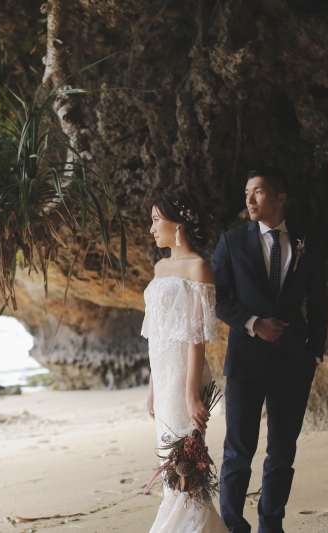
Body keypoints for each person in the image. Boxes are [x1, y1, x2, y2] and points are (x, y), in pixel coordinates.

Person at [211, 169, 328, 533]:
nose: (249, 199)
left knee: (281, 452)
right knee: (238, 451)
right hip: (246, 360)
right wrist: (252, 323)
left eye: (258, 192)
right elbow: (216, 298)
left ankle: (271, 524)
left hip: (294, 361)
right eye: (247, 192)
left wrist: (315, 352)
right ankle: (233, 524)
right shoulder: (231, 242)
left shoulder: (307, 242)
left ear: (280, 198)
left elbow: (319, 300)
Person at [142, 186, 229, 533]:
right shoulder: (160, 266)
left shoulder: (199, 267)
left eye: (156, 220)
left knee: (185, 467)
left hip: (184, 377)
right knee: (168, 462)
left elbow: (196, 336)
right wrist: (152, 385)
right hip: (162, 379)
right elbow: (156, 333)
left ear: (177, 224)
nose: (151, 228)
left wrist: (192, 393)